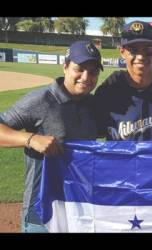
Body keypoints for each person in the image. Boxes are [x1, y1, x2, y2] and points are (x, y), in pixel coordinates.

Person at [0, 40, 103, 232]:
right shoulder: (40, 100)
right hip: (41, 213)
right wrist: (30, 139)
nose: (86, 77)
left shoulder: (93, 104)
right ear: (65, 67)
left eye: (94, 71)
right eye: (79, 69)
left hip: (80, 208)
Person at [93, 20, 152, 141]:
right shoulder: (108, 91)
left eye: (147, 50)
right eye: (133, 50)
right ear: (122, 52)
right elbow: (86, 130)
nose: (141, 57)